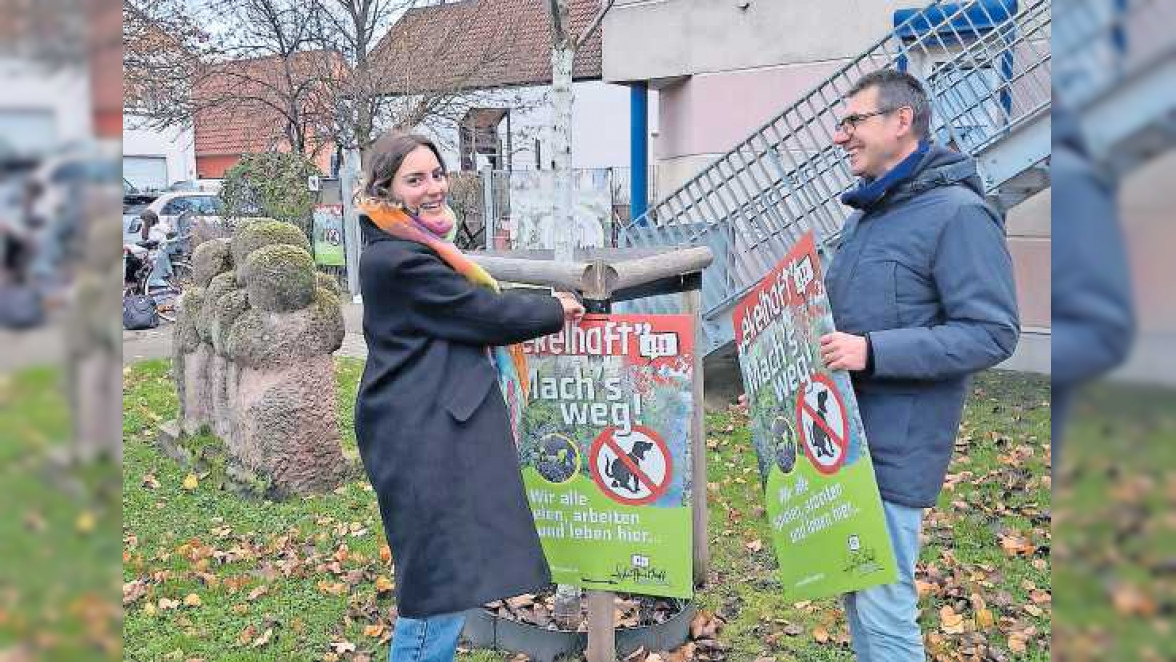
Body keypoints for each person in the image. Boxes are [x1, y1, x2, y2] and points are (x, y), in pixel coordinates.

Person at [353, 131, 584, 662]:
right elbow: (478, 311)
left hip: (426, 424)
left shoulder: (414, 244)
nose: (433, 187)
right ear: (387, 189)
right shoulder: (397, 259)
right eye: (415, 179)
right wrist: (553, 309)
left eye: (437, 174)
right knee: (436, 587)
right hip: (418, 435)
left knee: (444, 580)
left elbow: (467, 306)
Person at [819, 69, 1019, 661]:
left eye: (853, 120)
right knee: (861, 598)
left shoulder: (958, 215)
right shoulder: (869, 217)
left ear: (901, 121)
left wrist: (873, 352)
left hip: (895, 448)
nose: (841, 136)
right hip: (844, 443)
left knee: (884, 611)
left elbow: (991, 332)